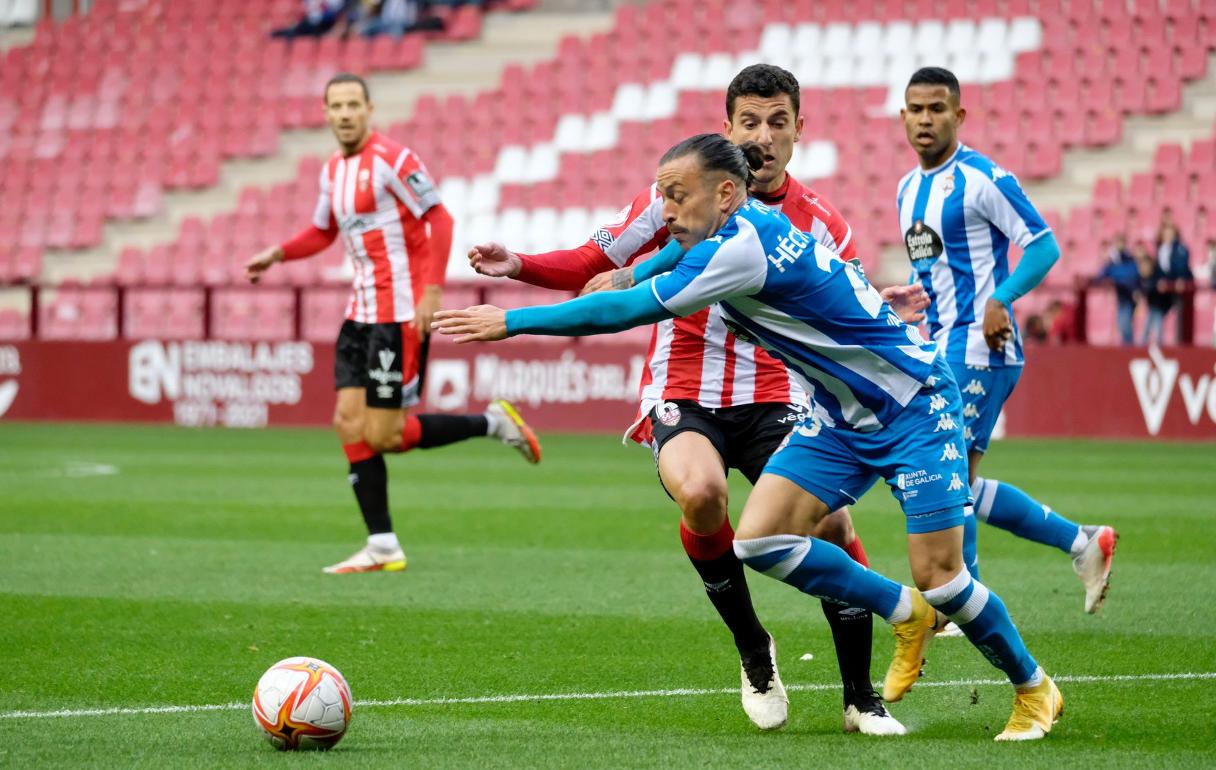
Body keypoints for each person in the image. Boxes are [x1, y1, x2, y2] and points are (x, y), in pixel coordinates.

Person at [434, 134, 1063, 742]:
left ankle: (1033, 688)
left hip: (912, 407)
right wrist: (626, 271)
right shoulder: (733, 230)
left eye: (677, 195)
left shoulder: (738, 250)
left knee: (944, 577)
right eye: (663, 195)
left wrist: (510, 321)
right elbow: (663, 261)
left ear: (728, 193)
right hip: (839, 418)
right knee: (760, 541)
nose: (667, 209)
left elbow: (623, 314)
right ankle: (905, 612)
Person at [467, 64, 925, 735]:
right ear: (727, 129)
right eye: (749, 122)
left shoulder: (822, 220)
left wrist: (880, 313)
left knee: (829, 525)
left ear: (800, 129)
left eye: (777, 122)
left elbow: (843, 303)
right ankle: (753, 647)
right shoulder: (677, 199)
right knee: (703, 495)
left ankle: (859, 696)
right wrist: (522, 267)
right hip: (685, 385)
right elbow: (596, 261)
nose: (763, 136)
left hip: (778, 387)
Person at [245, 73, 540, 574]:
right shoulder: (332, 171)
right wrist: (278, 253)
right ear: (325, 112)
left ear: (368, 109)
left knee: (383, 434)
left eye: (352, 104)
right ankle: (381, 544)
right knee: (346, 421)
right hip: (358, 314)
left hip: (399, 314)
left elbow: (439, 218)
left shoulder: (393, 159)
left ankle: (491, 423)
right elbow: (322, 231)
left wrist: (431, 290)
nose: (344, 113)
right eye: (335, 105)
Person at [896, 67, 1117, 615]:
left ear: (958, 115)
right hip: (942, 342)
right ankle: (1083, 542)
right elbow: (936, 271)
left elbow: (1042, 247)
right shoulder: (906, 188)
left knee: (945, 475)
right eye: (916, 109)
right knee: (953, 479)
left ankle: (958, 597)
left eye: (937, 109)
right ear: (903, 117)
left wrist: (1002, 298)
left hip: (980, 345)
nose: (926, 119)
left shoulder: (982, 178)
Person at [1154, 222, 1193, 344]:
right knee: (1156, 312)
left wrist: (1180, 279)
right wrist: (1159, 280)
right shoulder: (1161, 250)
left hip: (1178, 289)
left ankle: (1180, 344)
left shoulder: (1180, 249)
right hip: (1164, 291)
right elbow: (1158, 269)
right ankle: (1157, 343)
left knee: (1180, 315)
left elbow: (1182, 266)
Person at [1098, 235, 1139, 345]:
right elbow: (1101, 275)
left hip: (1129, 297)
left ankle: (1129, 349)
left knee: (1125, 324)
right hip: (1121, 298)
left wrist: (1117, 278)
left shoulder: (1130, 260)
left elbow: (1131, 277)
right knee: (1122, 324)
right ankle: (1127, 347)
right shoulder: (1113, 261)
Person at [1138, 240, 1170, 344]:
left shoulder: (1157, 274)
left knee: (1157, 327)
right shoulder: (1142, 279)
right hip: (1152, 307)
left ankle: (1158, 346)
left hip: (1158, 307)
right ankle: (1142, 347)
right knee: (1148, 327)